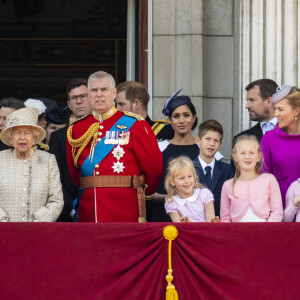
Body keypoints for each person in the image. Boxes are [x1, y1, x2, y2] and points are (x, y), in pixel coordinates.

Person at [66, 71, 163, 222]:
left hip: (124, 209)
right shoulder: (76, 129)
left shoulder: (135, 124)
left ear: (114, 93)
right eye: (94, 90)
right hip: (88, 209)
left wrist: (145, 194)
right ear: (88, 95)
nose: (99, 94)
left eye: (104, 90)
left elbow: (154, 167)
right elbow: (74, 175)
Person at [150, 90, 223, 222]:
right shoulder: (158, 149)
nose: (182, 121)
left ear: (194, 118)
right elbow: (148, 191)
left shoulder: (208, 150)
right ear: (170, 120)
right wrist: (172, 198)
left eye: (186, 115)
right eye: (176, 116)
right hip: (163, 216)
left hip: (200, 222)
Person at [0, 107, 63, 222]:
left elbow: (56, 200)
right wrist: (3, 221)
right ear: (10, 137)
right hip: (4, 232)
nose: (22, 138)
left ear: (34, 137)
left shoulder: (48, 160)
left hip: (38, 232)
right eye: (17, 133)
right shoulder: (1, 159)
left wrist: (38, 221)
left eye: (27, 133)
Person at [49, 78, 92, 222]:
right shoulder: (58, 137)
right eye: (74, 98)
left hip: (99, 206)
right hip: (68, 211)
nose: (78, 101)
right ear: (69, 104)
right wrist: (72, 209)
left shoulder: (106, 132)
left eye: (83, 96)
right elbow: (56, 179)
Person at [221, 135, 283, 222]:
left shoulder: (269, 180)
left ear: (258, 156)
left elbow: (277, 212)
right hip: (236, 234)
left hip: (265, 233)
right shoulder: (228, 185)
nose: (247, 156)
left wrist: (268, 231)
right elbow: (225, 218)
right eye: (243, 153)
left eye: (251, 153)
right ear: (235, 157)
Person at [261, 85, 300, 207]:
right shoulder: (269, 138)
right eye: (275, 109)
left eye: (280, 109)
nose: (276, 114)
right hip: (279, 207)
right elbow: (262, 178)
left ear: (296, 111)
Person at [193, 120, 234, 217]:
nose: (212, 143)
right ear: (198, 140)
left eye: (216, 140)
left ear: (220, 145)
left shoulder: (228, 170)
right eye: (208, 139)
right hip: (195, 222)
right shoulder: (187, 168)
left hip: (220, 222)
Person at [164, 156, 219, 222]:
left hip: (206, 232)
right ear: (172, 182)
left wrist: (213, 222)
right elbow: (178, 225)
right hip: (186, 232)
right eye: (181, 178)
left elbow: (210, 220)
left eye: (190, 176)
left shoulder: (204, 194)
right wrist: (186, 224)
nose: (187, 181)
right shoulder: (172, 202)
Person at [233, 79, 278, 144]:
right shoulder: (241, 140)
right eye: (247, 101)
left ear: (269, 101)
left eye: (252, 100)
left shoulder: (294, 132)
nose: (247, 106)